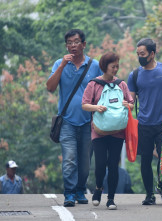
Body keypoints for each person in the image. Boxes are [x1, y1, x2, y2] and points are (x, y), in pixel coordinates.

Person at [46, 29, 103, 207]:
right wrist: (62, 65)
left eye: (76, 42)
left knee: (85, 162)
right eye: (69, 43)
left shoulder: (94, 65)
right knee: (69, 158)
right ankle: (69, 193)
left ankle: (80, 189)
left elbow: (103, 90)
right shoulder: (59, 64)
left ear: (84, 45)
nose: (72, 45)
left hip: (89, 121)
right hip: (67, 122)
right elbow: (50, 87)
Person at [127, 38, 162, 205]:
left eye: (142, 54)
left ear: (152, 54)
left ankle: (161, 184)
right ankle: (149, 194)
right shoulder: (134, 75)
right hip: (143, 123)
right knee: (145, 160)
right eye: (138, 54)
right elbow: (131, 99)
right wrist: (125, 105)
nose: (140, 57)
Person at [82, 52, 134, 210]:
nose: (116, 69)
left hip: (117, 131)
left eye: (117, 66)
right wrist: (96, 107)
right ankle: (98, 189)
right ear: (104, 67)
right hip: (99, 131)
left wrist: (127, 105)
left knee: (113, 164)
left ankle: (111, 199)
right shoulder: (94, 84)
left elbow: (131, 103)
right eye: (113, 67)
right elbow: (84, 104)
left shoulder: (121, 84)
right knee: (100, 164)